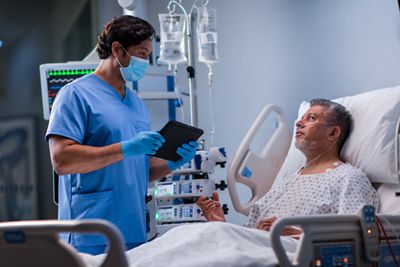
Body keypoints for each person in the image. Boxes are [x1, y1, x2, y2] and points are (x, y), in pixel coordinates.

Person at [45, 15, 198, 255]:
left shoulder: (137, 103)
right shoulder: (74, 95)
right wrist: (125, 148)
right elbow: (62, 160)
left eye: (148, 55)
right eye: (142, 53)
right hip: (90, 231)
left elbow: (138, 171)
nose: (146, 61)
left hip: (134, 231)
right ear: (117, 49)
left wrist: (171, 162)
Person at [196, 98, 377, 235]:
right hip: (257, 250)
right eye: (301, 118)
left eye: (311, 118)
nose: (298, 123)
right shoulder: (287, 182)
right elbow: (247, 238)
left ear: (333, 132)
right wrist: (219, 222)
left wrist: (298, 235)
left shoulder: (349, 178)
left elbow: (356, 237)